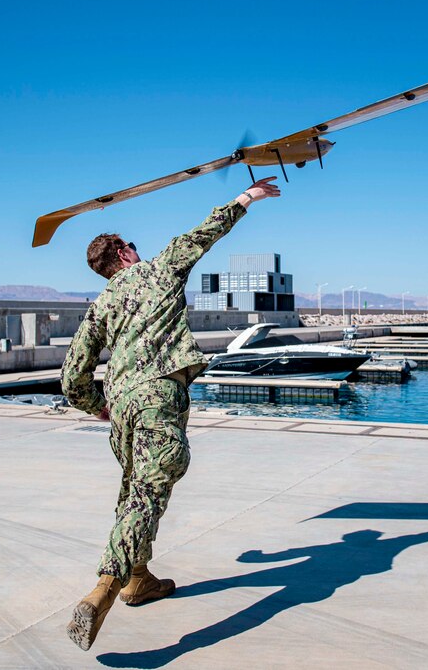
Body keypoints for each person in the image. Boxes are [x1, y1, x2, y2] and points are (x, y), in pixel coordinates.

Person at [61, 176, 281, 651]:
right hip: (159, 397)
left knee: (134, 491)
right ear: (122, 253)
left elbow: (72, 374)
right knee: (148, 490)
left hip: (121, 407)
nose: (137, 250)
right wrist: (248, 197)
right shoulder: (159, 270)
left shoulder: (101, 304)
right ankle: (105, 585)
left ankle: (139, 578)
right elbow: (203, 233)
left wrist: (96, 406)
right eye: (132, 245)